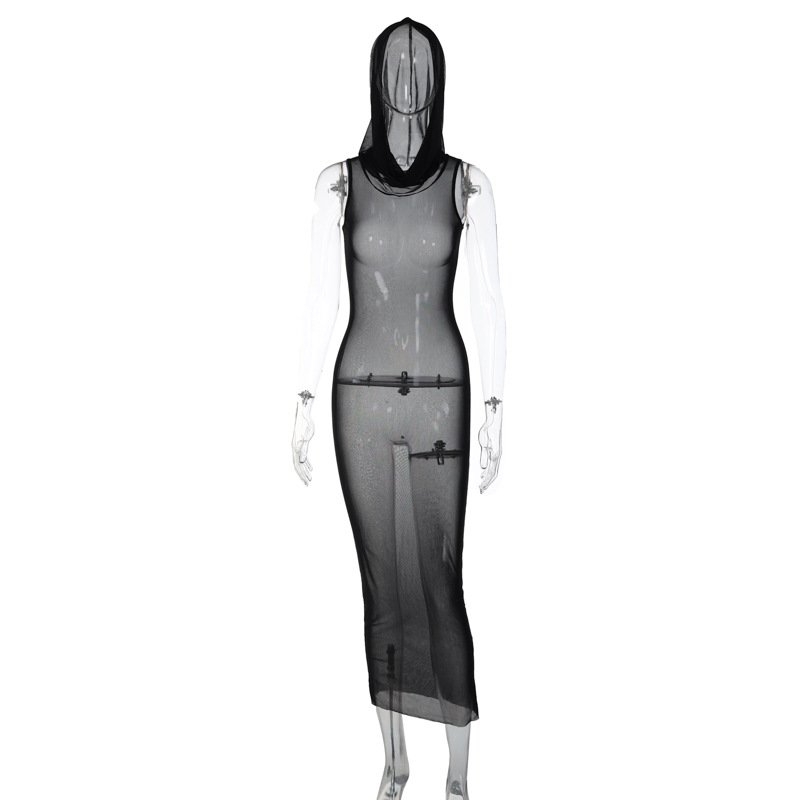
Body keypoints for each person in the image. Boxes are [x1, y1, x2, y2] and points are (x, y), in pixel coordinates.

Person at [292, 17, 507, 800]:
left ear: (438, 80)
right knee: (381, 584)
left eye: (420, 66)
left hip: (443, 404)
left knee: (440, 581)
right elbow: (321, 296)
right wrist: (303, 397)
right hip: (360, 403)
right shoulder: (338, 184)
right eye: (395, 64)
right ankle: (394, 763)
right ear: (376, 78)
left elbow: (489, 303)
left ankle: (459, 778)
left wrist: (494, 406)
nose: (408, 80)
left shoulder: (469, 184)